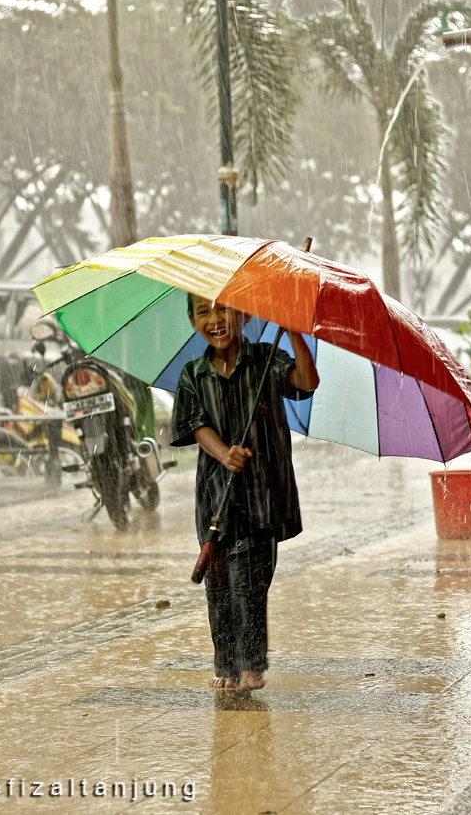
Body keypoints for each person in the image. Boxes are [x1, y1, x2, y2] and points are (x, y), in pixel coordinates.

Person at [170, 295, 319, 691]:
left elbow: (307, 381)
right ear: (192, 320)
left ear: (244, 315)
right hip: (215, 496)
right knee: (218, 584)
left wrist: (295, 332)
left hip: (261, 494)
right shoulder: (192, 374)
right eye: (204, 312)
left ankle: (251, 665)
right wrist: (224, 453)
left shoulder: (268, 359)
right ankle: (226, 665)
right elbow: (196, 425)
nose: (215, 320)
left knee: (250, 580)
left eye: (224, 309)